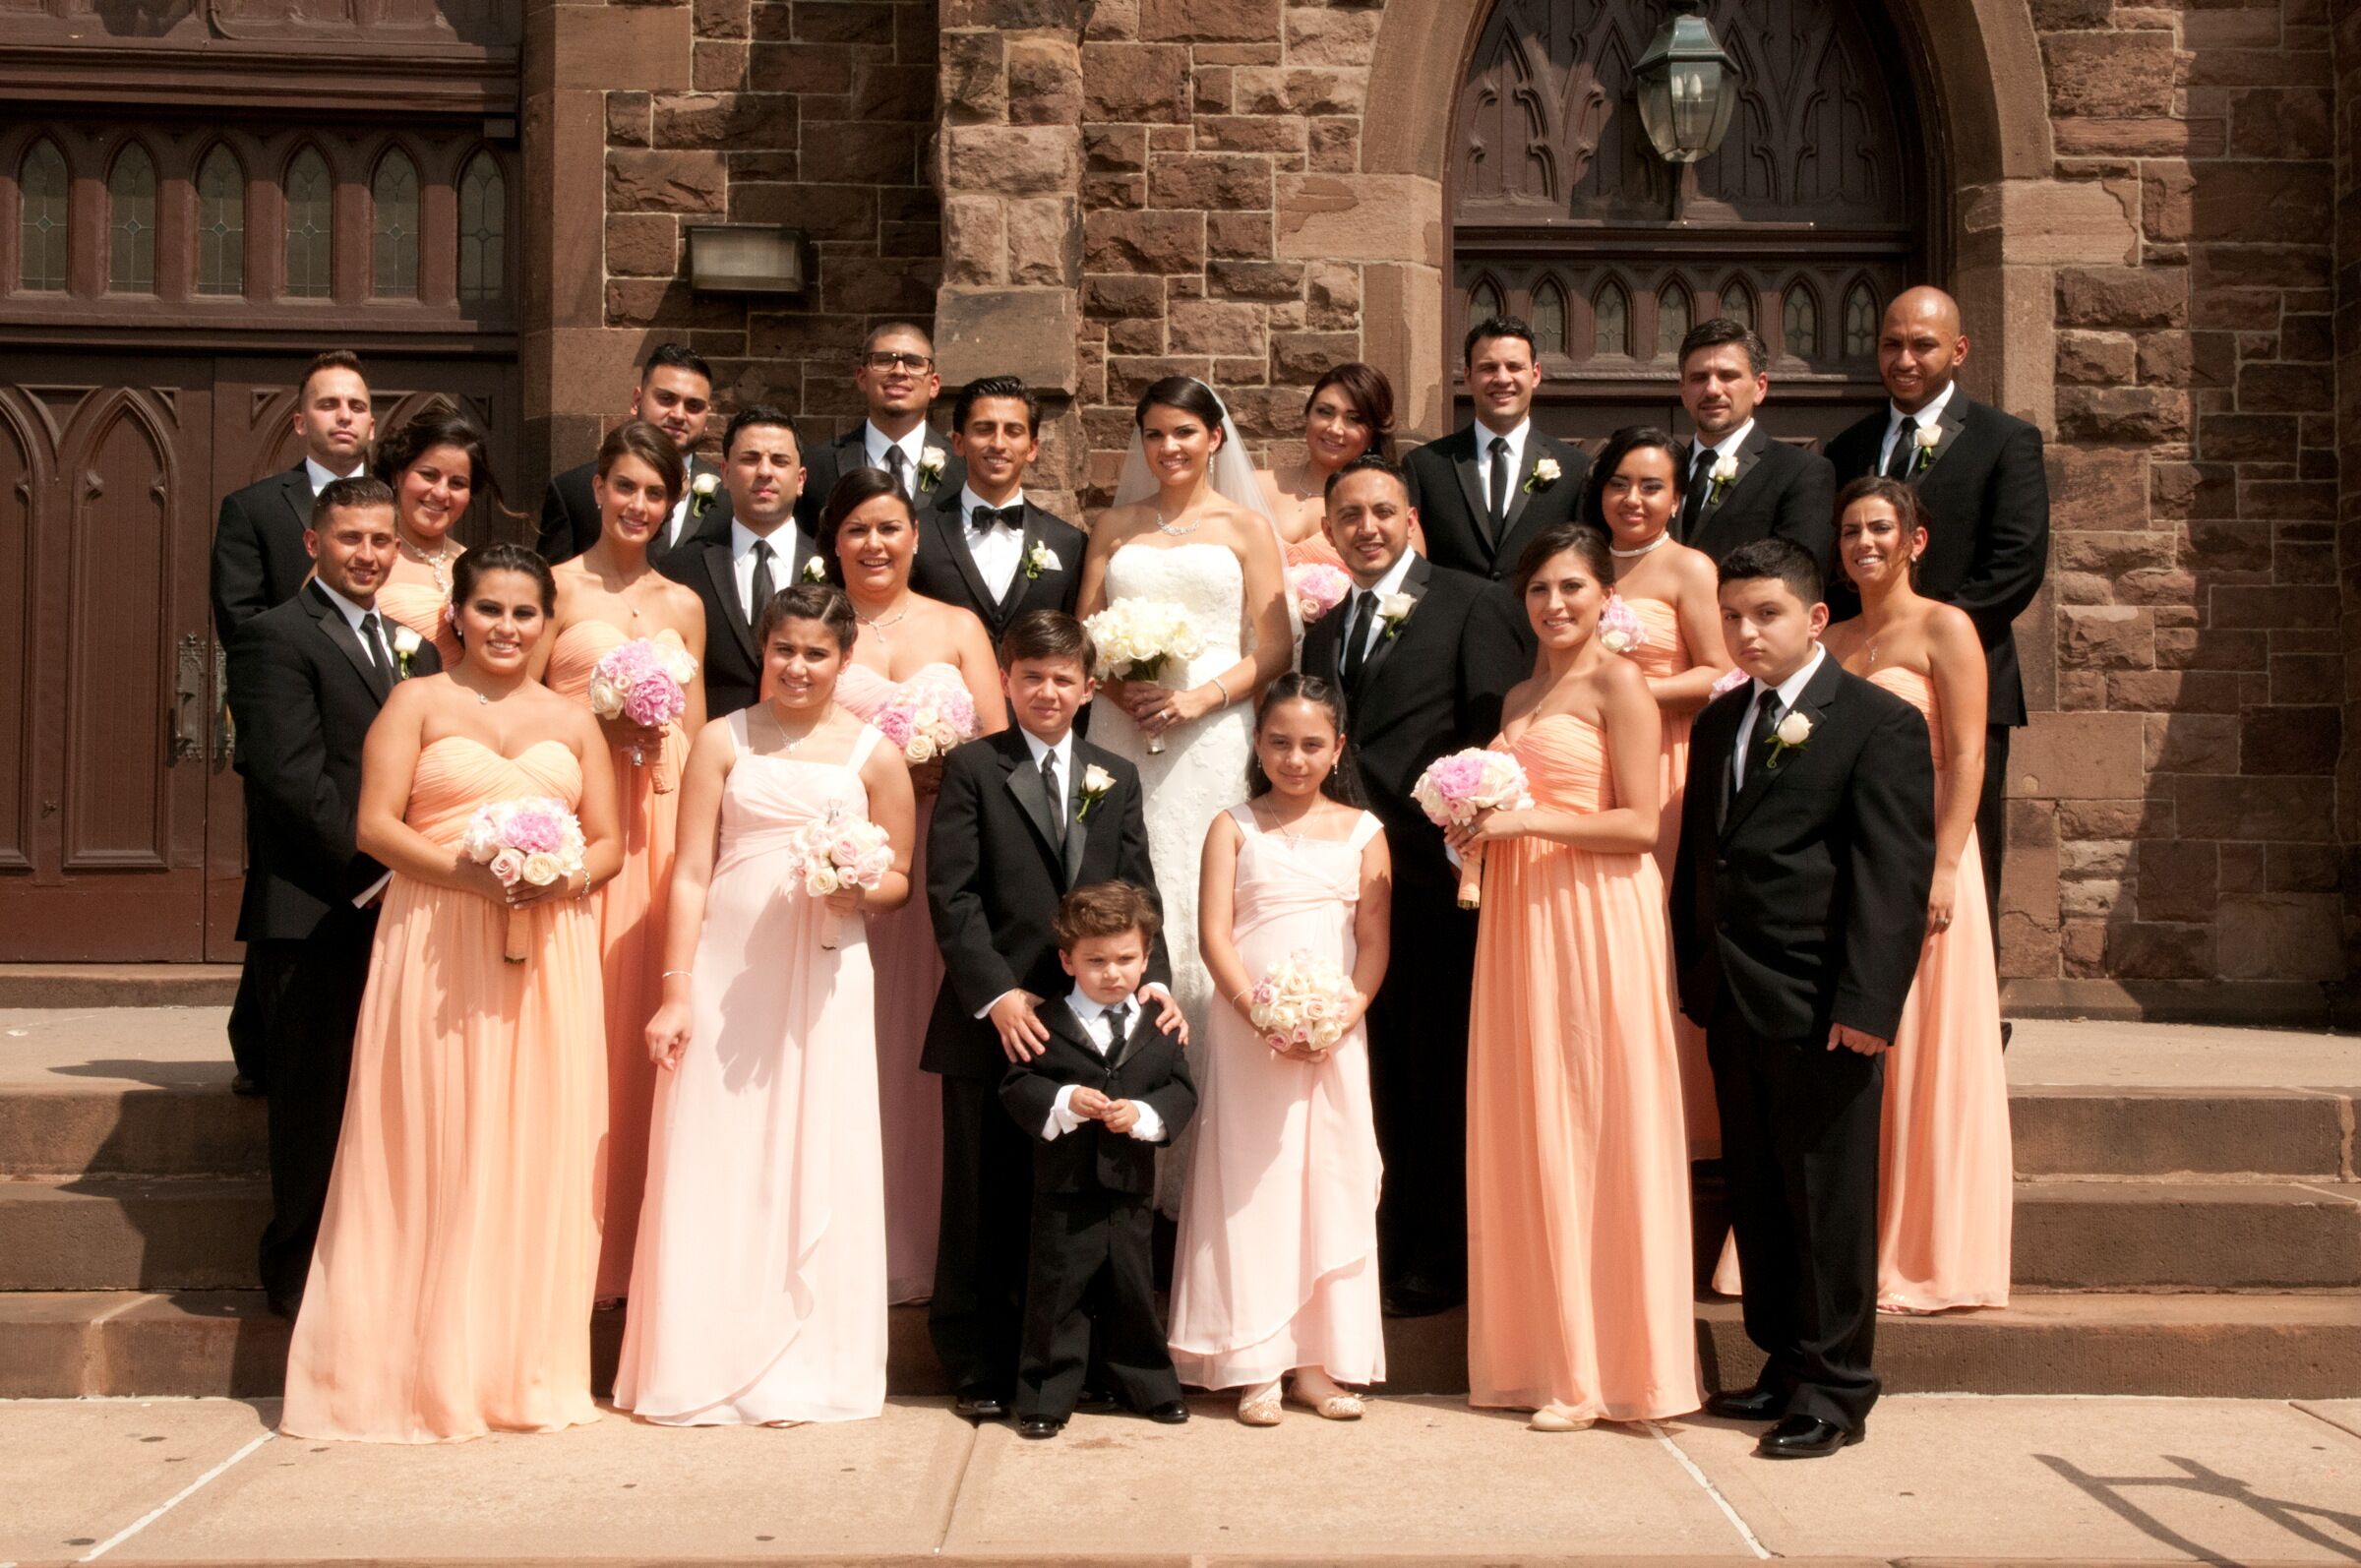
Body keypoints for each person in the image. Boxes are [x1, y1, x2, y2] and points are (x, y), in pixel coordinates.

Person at [280, 543, 623, 1443]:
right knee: (431, 1138)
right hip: (434, 938)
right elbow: (376, 826)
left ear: (548, 622)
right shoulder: (416, 701)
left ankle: (515, 1366)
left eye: (525, 613)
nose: (507, 628)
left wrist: (561, 877)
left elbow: (610, 843)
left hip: (547, 952)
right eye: (491, 610)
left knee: (528, 1146)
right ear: (457, 616)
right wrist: (465, 876)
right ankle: (408, 1366)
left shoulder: (576, 719)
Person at [615, 583, 916, 1426]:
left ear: (844, 659)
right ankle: (708, 1356)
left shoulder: (875, 757)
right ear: (762, 648)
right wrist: (677, 991)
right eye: (785, 649)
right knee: (719, 1148)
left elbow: (899, 878)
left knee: (821, 1141)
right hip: (728, 971)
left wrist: (861, 886)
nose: (798, 666)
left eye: (818, 652)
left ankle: (810, 1364)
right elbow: (688, 873)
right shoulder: (721, 741)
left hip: (826, 973)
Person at [1672, 538, 1935, 1460]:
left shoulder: (1876, 722)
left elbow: (1892, 877)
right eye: (1734, 616)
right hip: (1736, 1000)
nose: (1747, 633)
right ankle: (1784, 1363)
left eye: (1767, 614)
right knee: (1762, 1193)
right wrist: (1693, 971)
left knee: (1828, 1200)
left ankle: (1835, 1387)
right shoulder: (1719, 724)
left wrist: (1867, 1006)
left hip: (1827, 1004)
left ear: (1816, 617)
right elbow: (1706, 858)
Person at [1457, 523, 1699, 1434]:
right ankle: (1544, 1352)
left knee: (1598, 1113)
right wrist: (1476, 838)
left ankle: (1611, 1368)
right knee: (1535, 1113)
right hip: (1522, 918)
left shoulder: (1620, 683)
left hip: (1597, 915)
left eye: (1571, 588)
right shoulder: (1521, 690)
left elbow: (1641, 825)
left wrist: (1525, 827)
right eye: (1539, 591)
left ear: (1606, 596)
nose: (1554, 605)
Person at [923, 610, 1179, 1423]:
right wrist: (998, 995)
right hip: (994, 1020)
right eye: (1031, 675)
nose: (1047, 690)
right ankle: (980, 1364)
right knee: (985, 1194)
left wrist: (1156, 980)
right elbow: (952, 894)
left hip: (1090, 1025)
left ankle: (1082, 1364)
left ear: (1088, 688)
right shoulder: (973, 768)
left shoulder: (1115, 774)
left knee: (1077, 1210)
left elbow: (1139, 892)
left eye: (1064, 678)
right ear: (1006, 680)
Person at [1296, 455, 1523, 1317]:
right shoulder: (1322, 629)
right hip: (1345, 880)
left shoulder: (1470, 602)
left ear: (1411, 517)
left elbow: (1491, 736)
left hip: (1435, 878)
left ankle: (1439, 1254)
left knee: (1437, 1068)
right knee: (1372, 1068)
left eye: (1382, 511)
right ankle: (1376, 1246)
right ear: (1328, 526)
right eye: (1348, 514)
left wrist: (1468, 844)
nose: (1366, 527)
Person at [225, 477, 441, 1317]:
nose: (367, 555)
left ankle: (368, 1270)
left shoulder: (404, 643)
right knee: (313, 1106)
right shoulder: (272, 636)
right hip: (315, 907)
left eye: (382, 542)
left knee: (381, 1099)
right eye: (350, 539)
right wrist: (383, 873)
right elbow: (290, 781)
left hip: (398, 910)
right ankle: (295, 1281)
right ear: (315, 543)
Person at [1168, 675, 1389, 1424]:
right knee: (1253, 1180)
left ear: (1338, 749)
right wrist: (1257, 1014)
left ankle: (1320, 1362)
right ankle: (1254, 1357)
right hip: (1249, 1028)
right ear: (1257, 744)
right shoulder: (1232, 824)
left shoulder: (1365, 832)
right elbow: (1213, 934)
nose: (1295, 758)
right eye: (1279, 742)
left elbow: (1373, 942)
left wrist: (1339, 1017)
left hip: (1333, 1032)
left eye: (1312, 745)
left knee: (1330, 1175)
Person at [1824, 479, 2013, 1313]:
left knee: (1927, 1043)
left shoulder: (1947, 627)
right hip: (1851, 861)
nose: (1863, 543)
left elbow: (1969, 755)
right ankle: (1850, 1237)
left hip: (1928, 852)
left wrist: (1942, 867)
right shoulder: (1835, 639)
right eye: (1850, 530)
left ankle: (1926, 1246)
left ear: (1914, 541)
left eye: (1879, 529)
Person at [819, 466, 1006, 1304]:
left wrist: (945, 774)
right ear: (834, 541)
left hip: (945, 858)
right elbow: (787, 735)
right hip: (849, 855)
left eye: (889, 527)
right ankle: (842, 1238)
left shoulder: (958, 624)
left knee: (929, 1047)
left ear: (916, 537)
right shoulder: (814, 624)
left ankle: (931, 1244)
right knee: (846, 1036)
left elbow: (1002, 751)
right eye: (857, 528)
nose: (874, 543)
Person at [1823, 286, 2048, 974]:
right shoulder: (1849, 446)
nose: (1905, 358)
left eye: (1922, 345)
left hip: (1957, 678)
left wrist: (1931, 642)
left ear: (1958, 350)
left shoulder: (2005, 440)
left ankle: (1971, 1005)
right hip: (1863, 675)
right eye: (1891, 344)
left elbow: (2016, 563)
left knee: (1964, 847)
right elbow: (1836, 568)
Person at [539, 421, 710, 1304]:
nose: (639, 505)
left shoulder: (684, 603)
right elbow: (521, 718)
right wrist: (600, 727)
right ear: (597, 488)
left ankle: (647, 1242)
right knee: (584, 1022)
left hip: (669, 817)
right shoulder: (557, 592)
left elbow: (706, 731)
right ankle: (573, 1241)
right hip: (590, 816)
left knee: (652, 1019)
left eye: (657, 492)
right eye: (626, 486)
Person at [1078, 376, 1293, 1059]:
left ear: (1215, 438)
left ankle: (1206, 1070)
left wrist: (1202, 698)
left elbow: (1277, 644)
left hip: (1210, 732)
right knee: (1119, 881)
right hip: (1121, 728)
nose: (1169, 447)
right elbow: (1083, 633)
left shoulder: (1246, 527)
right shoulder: (1115, 526)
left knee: (1200, 888)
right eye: (1155, 434)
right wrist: (1119, 691)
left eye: (1184, 432)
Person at [212, 348, 376, 1098]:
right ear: (299, 420)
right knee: (288, 889)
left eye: (357, 405)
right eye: (330, 404)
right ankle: (262, 1042)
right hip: (292, 727)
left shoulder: (388, 509)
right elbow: (240, 619)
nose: (345, 416)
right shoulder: (255, 508)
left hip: (374, 724)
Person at [1583, 427, 1735, 1158]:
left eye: (1651, 486)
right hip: (1587, 767)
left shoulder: (1688, 569)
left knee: (1657, 931)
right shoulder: (1580, 563)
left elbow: (1720, 672)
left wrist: (1631, 691)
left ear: (1677, 496)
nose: (1633, 499)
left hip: (1663, 765)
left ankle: (1683, 1126)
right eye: (1620, 483)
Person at [1000, 880, 1198, 1439]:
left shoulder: (1159, 1025)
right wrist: (1065, 1100)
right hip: (1064, 1186)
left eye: (1126, 959)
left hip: (1128, 1184)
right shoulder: (1047, 1021)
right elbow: (1017, 1087)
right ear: (1068, 960)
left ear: (1146, 957)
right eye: (1096, 961)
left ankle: (1148, 1386)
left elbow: (1180, 1091)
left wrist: (1142, 1114)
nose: (1112, 973)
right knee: (1057, 1291)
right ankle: (1045, 1395)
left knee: (1133, 1286)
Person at [1402, 317, 1589, 583]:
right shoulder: (1425, 465)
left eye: (1514, 367)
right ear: (1468, 376)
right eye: (1488, 368)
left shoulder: (1575, 468)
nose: (1502, 379)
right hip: (1454, 623)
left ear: (1535, 374)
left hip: (1535, 622)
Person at [661, 405, 820, 719]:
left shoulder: (835, 568)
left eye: (779, 460)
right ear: (725, 473)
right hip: (710, 752)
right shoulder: (680, 569)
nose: (764, 471)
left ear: (800, 479)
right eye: (750, 459)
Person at [915, 376, 1086, 642]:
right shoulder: (918, 533)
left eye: (1013, 431)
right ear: (958, 443)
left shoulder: (1068, 543)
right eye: (984, 429)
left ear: (1032, 447)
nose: (998, 443)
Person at [1671, 320, 1838, 572]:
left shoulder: (1800, 472)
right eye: (1699, 378)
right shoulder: (1664, 472)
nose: (1712, 389)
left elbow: (1800, 576)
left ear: (1760, 387)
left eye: (1728, 376)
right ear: (1683, 391)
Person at [537, 343, 722, 567]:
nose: (678, 415)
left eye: (693, 406)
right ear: (637, 401)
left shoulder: (726, 498)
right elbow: (546, 590)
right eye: (666, 399)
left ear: (707, 417)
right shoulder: (573, 491)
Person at [370, 413, 515, 671]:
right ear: (397, 475)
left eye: (457, 483)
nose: (440, 492)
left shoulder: (478, 566)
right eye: (428, 475)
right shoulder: (364, 557)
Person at [795, 323, 966, 533]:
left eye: (914, 362)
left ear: (934, 385)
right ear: (862, 378)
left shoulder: (965, 466)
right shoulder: (817, 465)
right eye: (884, 360)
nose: (899, 371)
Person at [1252, 363, 1419, 568]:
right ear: (1308, 414)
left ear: (1374, 433)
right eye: (1325, 412)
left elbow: (1407, 592)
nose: (1335, 429)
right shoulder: (1256, 486)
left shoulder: (1394, 512)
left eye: (1354, 419)